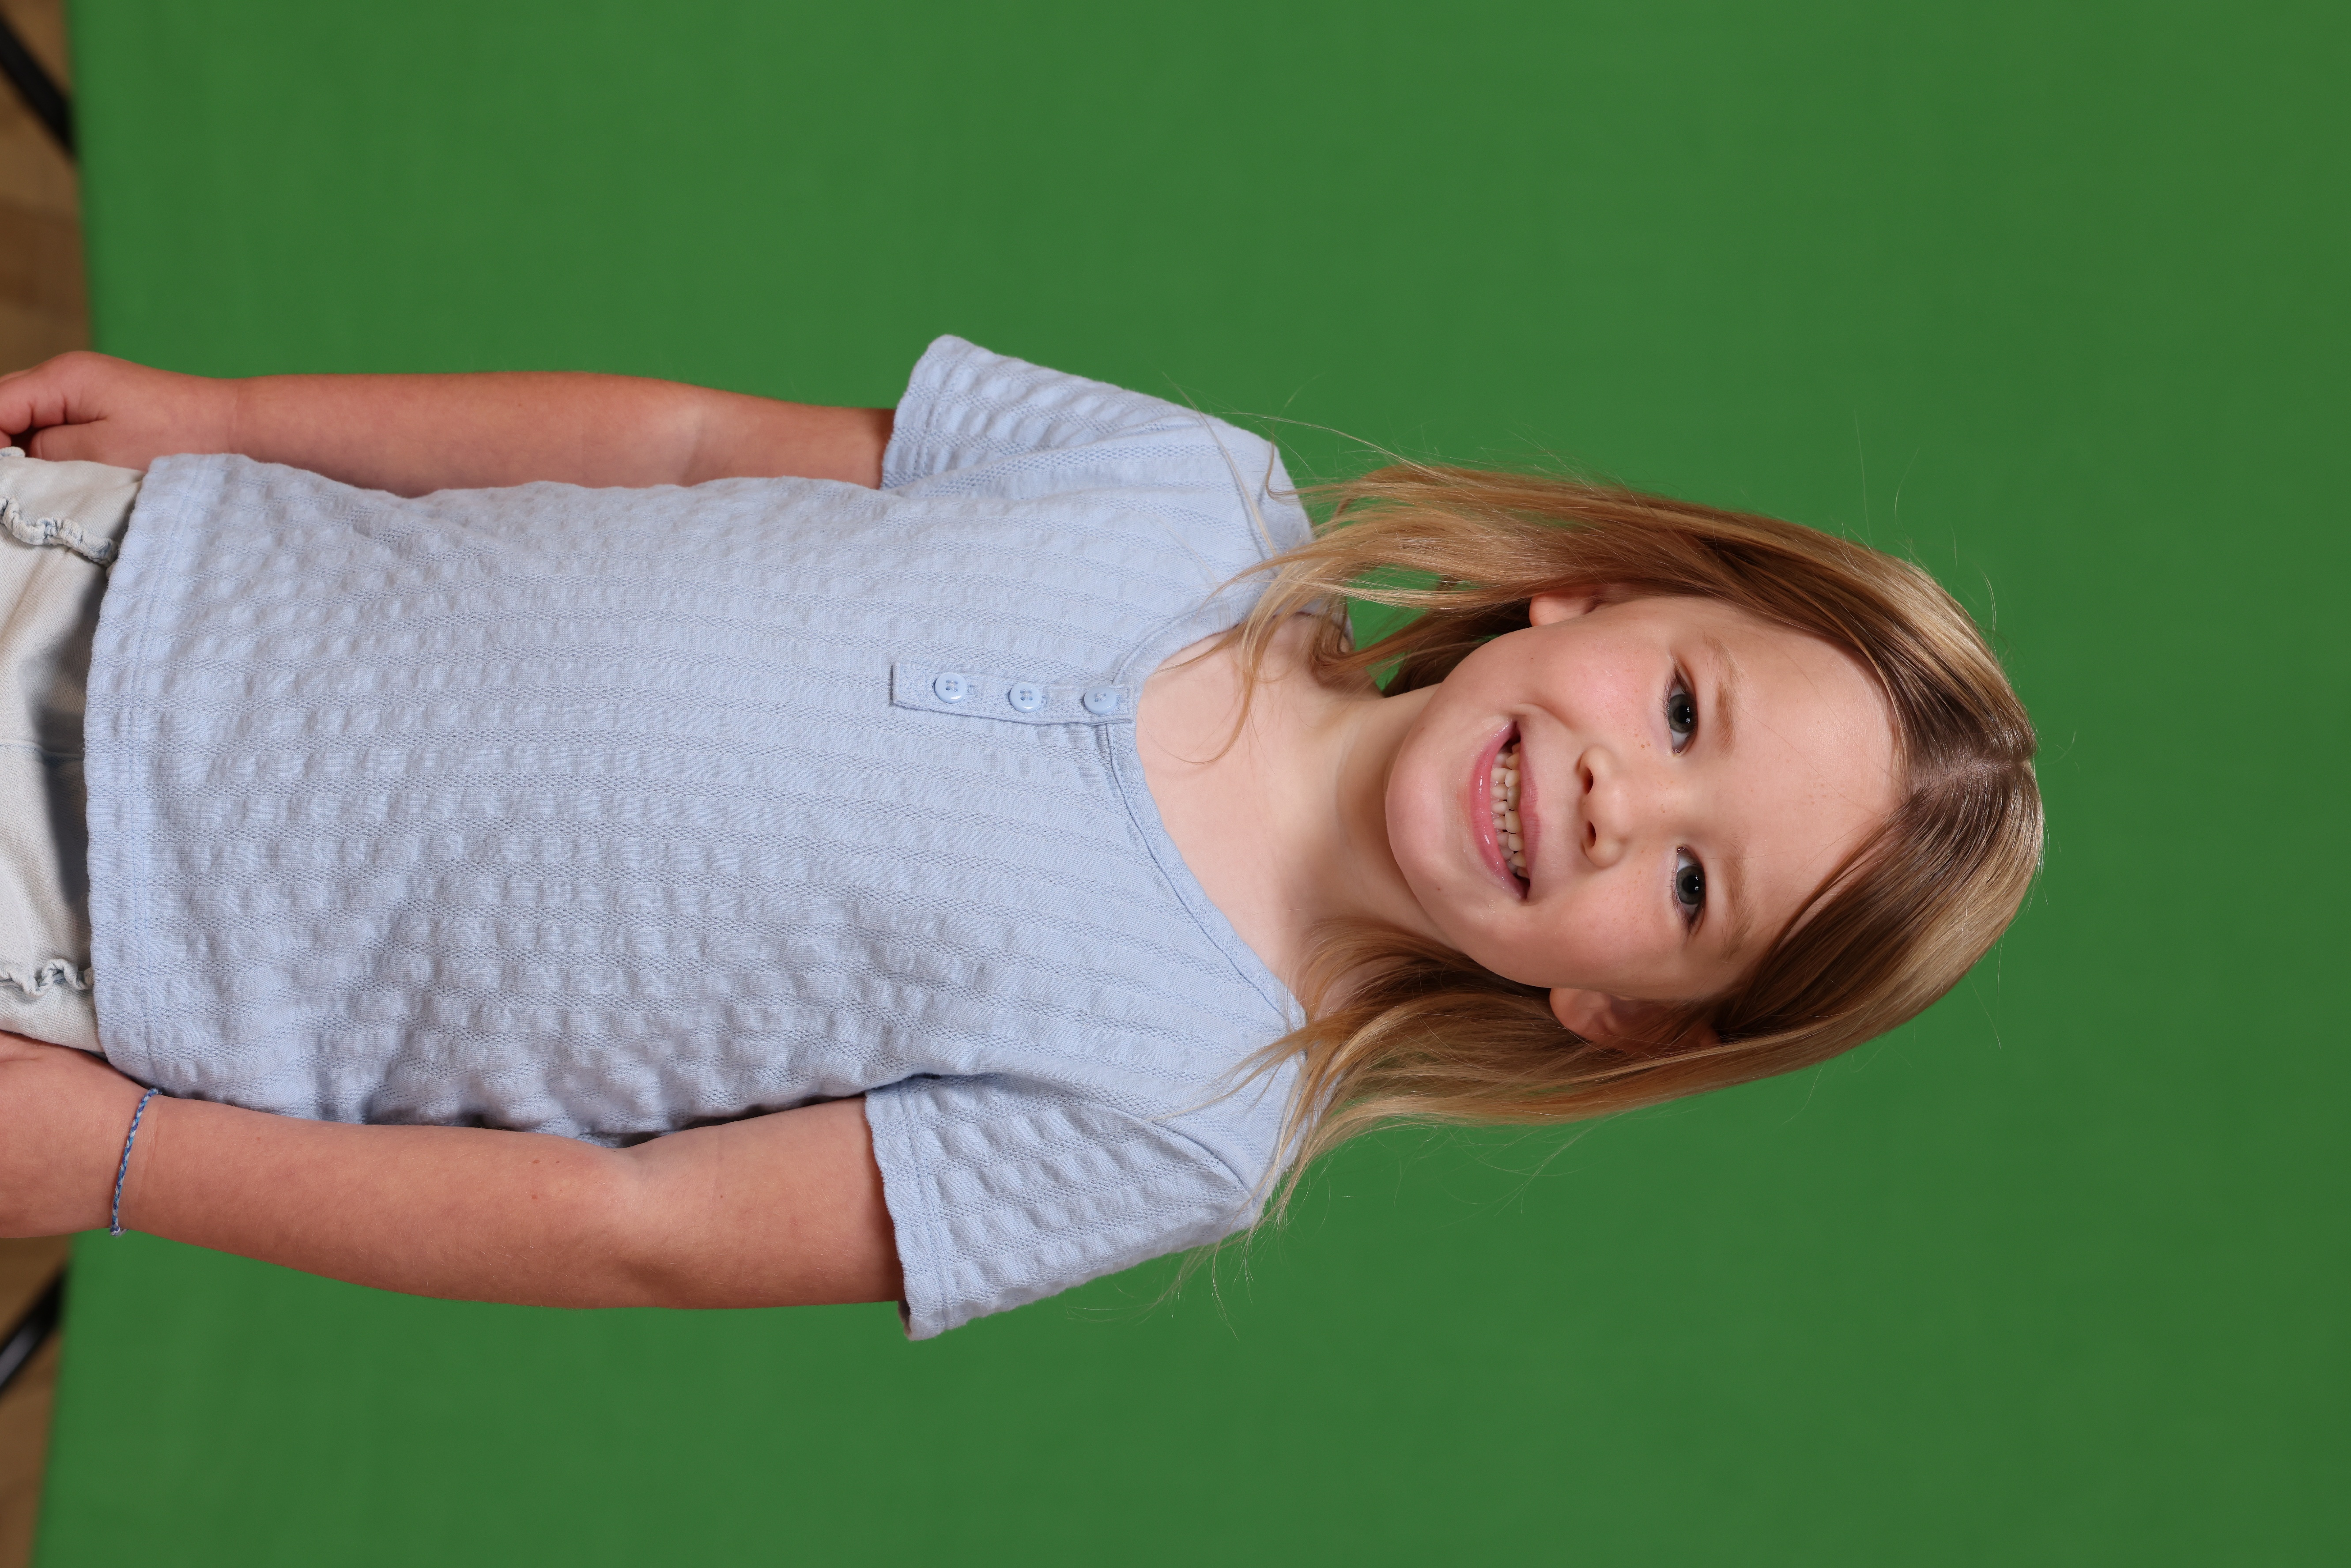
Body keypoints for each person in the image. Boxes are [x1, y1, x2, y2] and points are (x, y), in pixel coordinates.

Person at [0, 338, 2040, 1338]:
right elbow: (686, 444)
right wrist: (234, 414)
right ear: (1594, 599)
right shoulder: (1191, 490)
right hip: (132, 564)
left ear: (1614, 1012)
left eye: (1690, 885)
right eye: (1683, 713)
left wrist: (124, 1161)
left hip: (106, 954)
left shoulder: (1193, 1115)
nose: (1621, 798)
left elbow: (647, 1230)